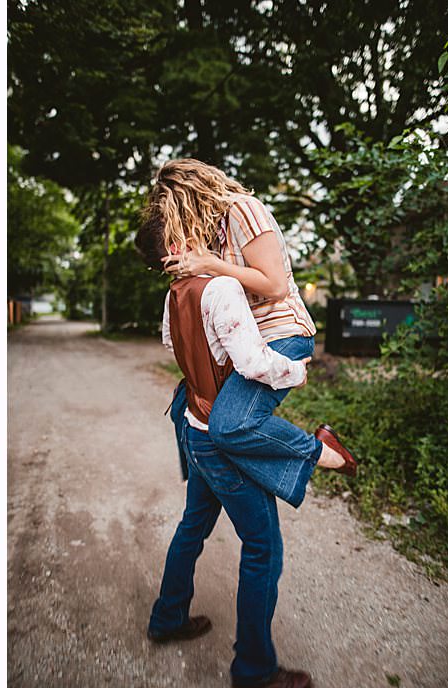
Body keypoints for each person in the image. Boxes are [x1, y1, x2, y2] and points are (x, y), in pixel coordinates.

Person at [135, 215, 356, 688]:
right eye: (185, 226)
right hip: (219, 443)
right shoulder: (220, 288)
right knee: (262, 548)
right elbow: (253, 363)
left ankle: (167, 618)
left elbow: (171, 342)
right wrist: (295, 371)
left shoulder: (174, 295)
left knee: (192, 526)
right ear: (175, 245)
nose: (198, 229)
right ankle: (254, 670)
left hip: (193, 427)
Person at [149, 159, 345, 502]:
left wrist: (211, 264)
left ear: (191, 197)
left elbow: (275, 285)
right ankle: (231, 490)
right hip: (251, 342)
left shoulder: (244, 210)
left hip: (283, 332)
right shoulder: (212, 233)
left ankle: (321, 452)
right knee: (191, 413)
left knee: (228, 426)